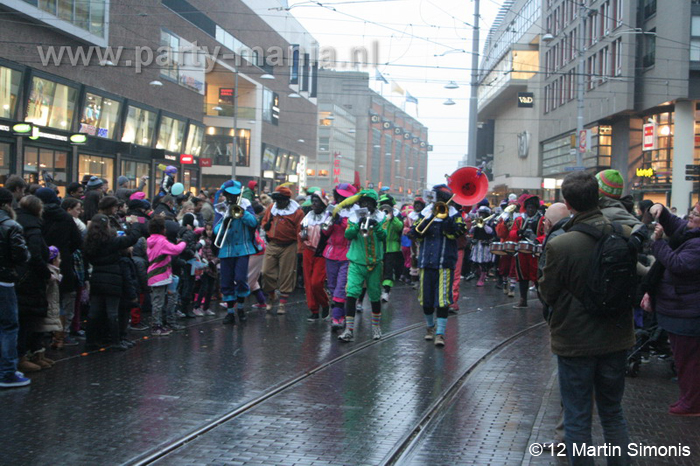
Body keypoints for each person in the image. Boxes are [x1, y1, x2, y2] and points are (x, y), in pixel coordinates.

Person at [539, 172, 634, 464]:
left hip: (575, 340)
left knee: (578, 417)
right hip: (617, 337)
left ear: (567, 204)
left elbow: (547, 293)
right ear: (598, 197)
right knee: (613, 413)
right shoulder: (625, 234)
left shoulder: (561, 244)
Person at [643, 202, 700, 416]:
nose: (690, 217)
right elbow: (677, 224)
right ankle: (689, 399)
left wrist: (657, 244)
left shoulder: (696, 244)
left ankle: (692, 403)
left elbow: (678, 264)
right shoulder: (690, 233)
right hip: (681, 309)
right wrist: (661, 209)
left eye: (695, 215)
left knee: (689, 361)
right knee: (684, 358)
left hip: (687, 311)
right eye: (692, 212)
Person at [410, 184, 466, 347]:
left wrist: (446, 218)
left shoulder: (455, 214)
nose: (438, 202)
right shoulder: (426, 212)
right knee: (426, 300)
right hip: (426, 262)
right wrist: (428, 219)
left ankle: (440, 333)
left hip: (444, 263)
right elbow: (414, 232)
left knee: (442, 301)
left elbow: (458, 232)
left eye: (441, 199)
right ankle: (429, 328)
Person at [83, 214, 141, 351]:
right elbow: (132, 239)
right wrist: (135, 224)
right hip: (113, 279)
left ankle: (91, 340)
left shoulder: (89, 242)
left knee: (94, 312)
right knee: (113, 312)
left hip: (97, 278)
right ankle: (115, 341)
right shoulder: (112, 242)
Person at [338, 189, 387, 342]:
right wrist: (357, 225)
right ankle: (349, 330)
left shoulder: (381, 218)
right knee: (351, 293)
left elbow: (383, 236)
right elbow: (348, 236)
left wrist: (376, 226)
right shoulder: (353, 218)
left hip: (375, 264)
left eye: (368, 203)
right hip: (356, 262)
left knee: (374, 295)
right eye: (363, 202)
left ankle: (376, 328)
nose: (365, 205)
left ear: (374, 204)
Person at [37, 188, 82, 349]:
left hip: (41, 262)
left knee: (42, 299)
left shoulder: (37, 216)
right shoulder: (65, 217)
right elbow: (77, 240)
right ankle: (60, 337)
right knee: (63, 300)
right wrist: (65, 252)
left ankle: (41, 338)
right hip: (62, 262)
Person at [214, 180, 259, 324]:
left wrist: (242, 213)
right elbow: (215, 230)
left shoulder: (245, 205)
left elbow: (254, 223)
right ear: (225, 194)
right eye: (229, 195)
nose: (232, 198)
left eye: (235, 195)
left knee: (240, 278)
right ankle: (230, 312)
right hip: (226, 249)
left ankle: (240, 308)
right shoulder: (220, 208)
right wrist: (225, 220)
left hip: (243, 248)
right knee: (226, 281)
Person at [0, 187, 30, 388]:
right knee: (9, 325)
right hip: (4, 280)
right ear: (8, 204)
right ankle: (7, 372)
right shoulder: (11, 225)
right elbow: (21, 255)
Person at [261, 186, 304, 314]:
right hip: (273, 243)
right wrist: (266, 225)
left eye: (280, 200)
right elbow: (264, 222)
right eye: (276, 200)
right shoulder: (271, 208)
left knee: (287, 274)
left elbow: (300, 231)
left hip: (290, 245)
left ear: (287, 200)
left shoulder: (297, 212)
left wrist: (300, 250)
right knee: (265, 272)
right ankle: (272, 295)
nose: (278, 203)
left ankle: (282, 304)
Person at [322, 183, 357, 331]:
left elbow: (354, 231)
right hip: (331, 252)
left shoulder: (357, 212)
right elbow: (324, 232)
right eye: (340, 196)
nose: (342, 199)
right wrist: (330, 220)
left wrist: (342, 221)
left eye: (345, 197)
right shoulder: (331, 209)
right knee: (332, 285)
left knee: (341, 287)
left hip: (348, 253)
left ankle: (337, 316)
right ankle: (338, 312)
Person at [147, 217, 186, 336]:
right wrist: (184, 242)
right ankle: (156, 326)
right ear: (163, 229)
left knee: (157, 301)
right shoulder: (162, 241)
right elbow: (176, 250)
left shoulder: (150, 240)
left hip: (154, 274)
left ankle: (159, 323)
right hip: (160, 274)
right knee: (158, 302)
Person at [508, 194, 545, 309]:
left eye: (532, 208)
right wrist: (518, 233)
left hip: (536, 253)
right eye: (528, 207)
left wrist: (538, 240)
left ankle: (543, 301)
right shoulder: (519, 220)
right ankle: (523, 300)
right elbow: (512, 233)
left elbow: (546, 234)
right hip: (522, 252)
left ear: (536, 208)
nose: (530, 210)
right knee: (522, 277)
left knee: (538, 277)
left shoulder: (542, 219)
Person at [299, 189, 330, 321]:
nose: (314, 204)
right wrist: (302, 236)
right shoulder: (307, 217)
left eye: (317, 201)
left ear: (323, 203)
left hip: (322, 253)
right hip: (308, 251)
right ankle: (314, 310)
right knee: (308, 283)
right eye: (313, 201)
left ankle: (325, 303)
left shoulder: (328, 217)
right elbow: (301, 233)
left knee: (316, 282)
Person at [378, 194, 403, 303]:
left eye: (387, 205)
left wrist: (392, 218)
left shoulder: (397, 215)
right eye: (383, 205)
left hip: (391, 248)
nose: (385, 207)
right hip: (378, 247)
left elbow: (400, 227)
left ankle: (386, 291)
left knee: (388, 271)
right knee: (378, 271)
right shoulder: (377, 215)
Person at [469, 205, 495, 287]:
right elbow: (471, 230)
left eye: (483, 214)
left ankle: (482, 278)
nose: (481, 215)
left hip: (484, 245)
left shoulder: (490, 222)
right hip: (477, 244)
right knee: (475, 262)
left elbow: (490, 232)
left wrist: (483, 224)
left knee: (484, 263)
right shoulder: (477, 221)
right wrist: (474, 224)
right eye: (480, 213)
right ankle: (479, 275)